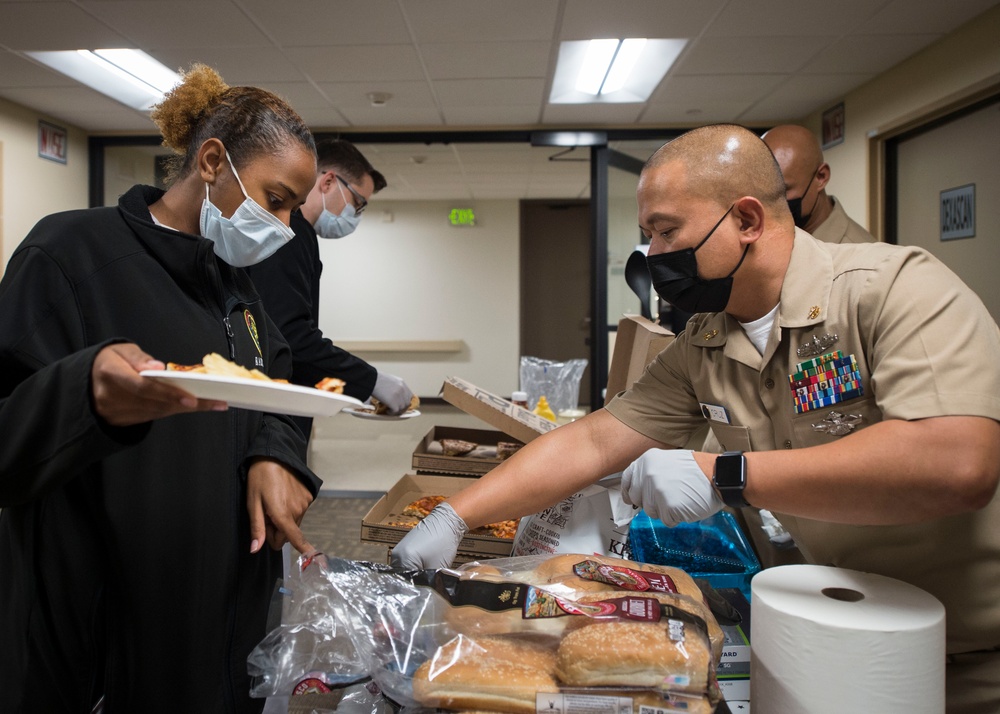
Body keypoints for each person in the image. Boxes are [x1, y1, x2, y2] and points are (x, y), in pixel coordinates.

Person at [391, 124, 1000, 713]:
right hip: (828, 629)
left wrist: (725, 474)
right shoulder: (706, 342)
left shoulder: (891, 290)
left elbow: (957, 463)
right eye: (648, 235)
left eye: (666, 231)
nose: (653, 255)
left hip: (967, 649)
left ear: (747, 220)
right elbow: (597, 440)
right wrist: (456, 516)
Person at [0, 64, 323, 713]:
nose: (287, 225)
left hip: (220, 629)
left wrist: (275, 451)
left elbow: (277, 385)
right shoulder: (71, 254)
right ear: (212, 162)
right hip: (109, 646)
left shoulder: (234, 286)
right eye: (276, 199)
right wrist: (85, 394)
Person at [247, 138, 414, 439]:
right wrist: (371, 380)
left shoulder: (298, 235)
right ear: (327, 182)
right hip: (267, 413)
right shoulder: (290, 233)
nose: (356, 215)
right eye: (358, 203)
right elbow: (290, 337)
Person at [761, 124, 875, 244]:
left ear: (821, 177)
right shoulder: (764, 236)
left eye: (781, 190)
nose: (766, 201)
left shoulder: (856, 249)